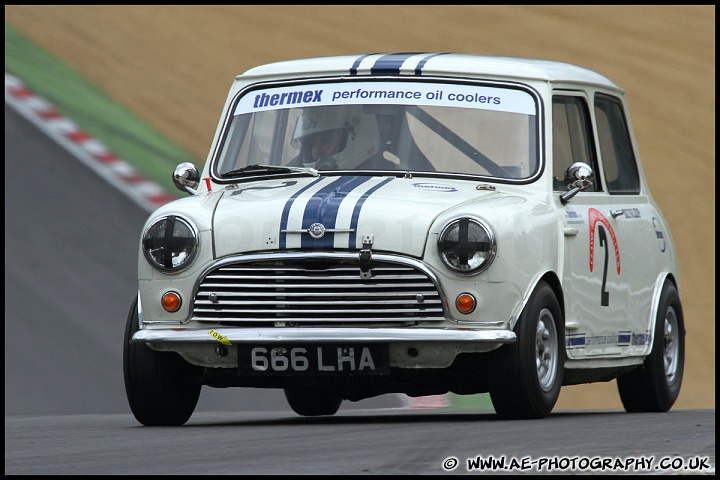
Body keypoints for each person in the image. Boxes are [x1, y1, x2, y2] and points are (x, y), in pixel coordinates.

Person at [288, 105, 395, 170]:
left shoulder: (393, 183)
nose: (315, 150)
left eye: (326, 140)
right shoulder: (291, 176)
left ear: (359, 137)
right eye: (311, 144)